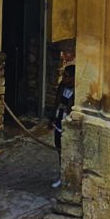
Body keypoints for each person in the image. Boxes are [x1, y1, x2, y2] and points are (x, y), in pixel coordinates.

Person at [48, 47, 75, 186]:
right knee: (59, 147)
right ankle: (62, 174)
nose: (64, 79)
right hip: (60, 120)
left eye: (67, 76)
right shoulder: (62, 87)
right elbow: (56, 102)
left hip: (69, 122)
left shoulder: (77, 91)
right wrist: (52, 118)